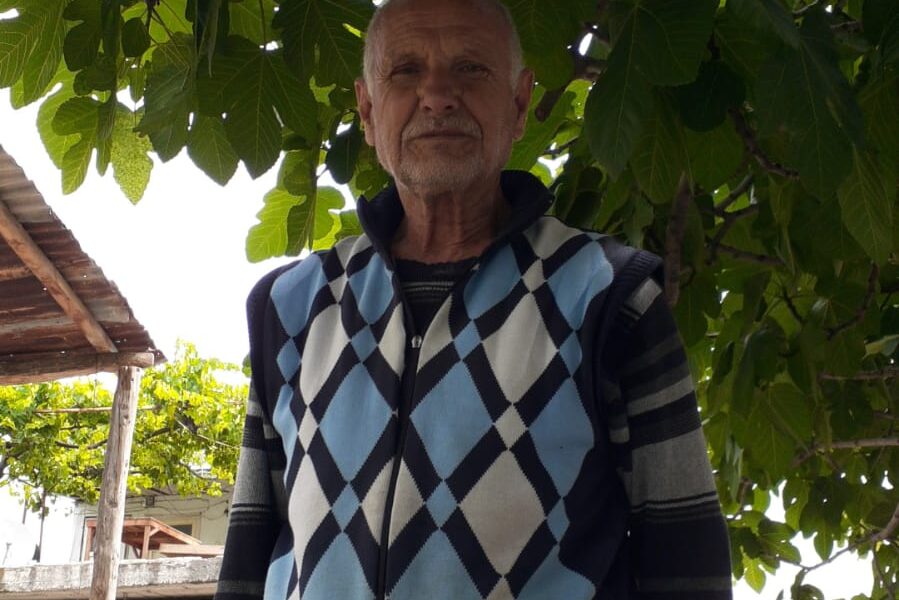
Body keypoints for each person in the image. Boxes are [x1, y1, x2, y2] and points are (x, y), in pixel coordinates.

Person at [215, 0, 733, 598]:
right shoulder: (290, 307)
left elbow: (686, 560)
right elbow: (250, 552)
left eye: (471, 69)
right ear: (367, 111)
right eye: (406, 70)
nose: (438, 95)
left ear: (519, 104)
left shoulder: (610, 296)